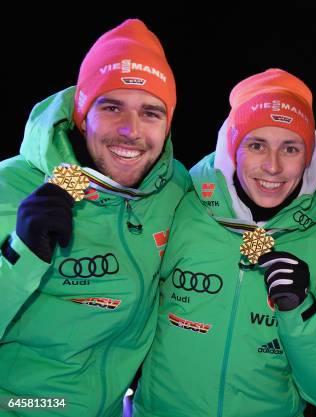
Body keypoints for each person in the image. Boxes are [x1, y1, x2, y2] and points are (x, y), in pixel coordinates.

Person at [133, 68, 316, 417]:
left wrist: (301, 311)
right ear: (232, 149)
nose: (272, 167)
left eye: (290, 148)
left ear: (308, 158)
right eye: (257, 145)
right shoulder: (179, 204)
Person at [0, 19, 189, 416]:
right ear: (83, 114)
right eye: (111, 106)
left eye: (151, 112)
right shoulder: (10, 187)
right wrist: (18, 256)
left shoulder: (173, 190)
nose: (130, 130)